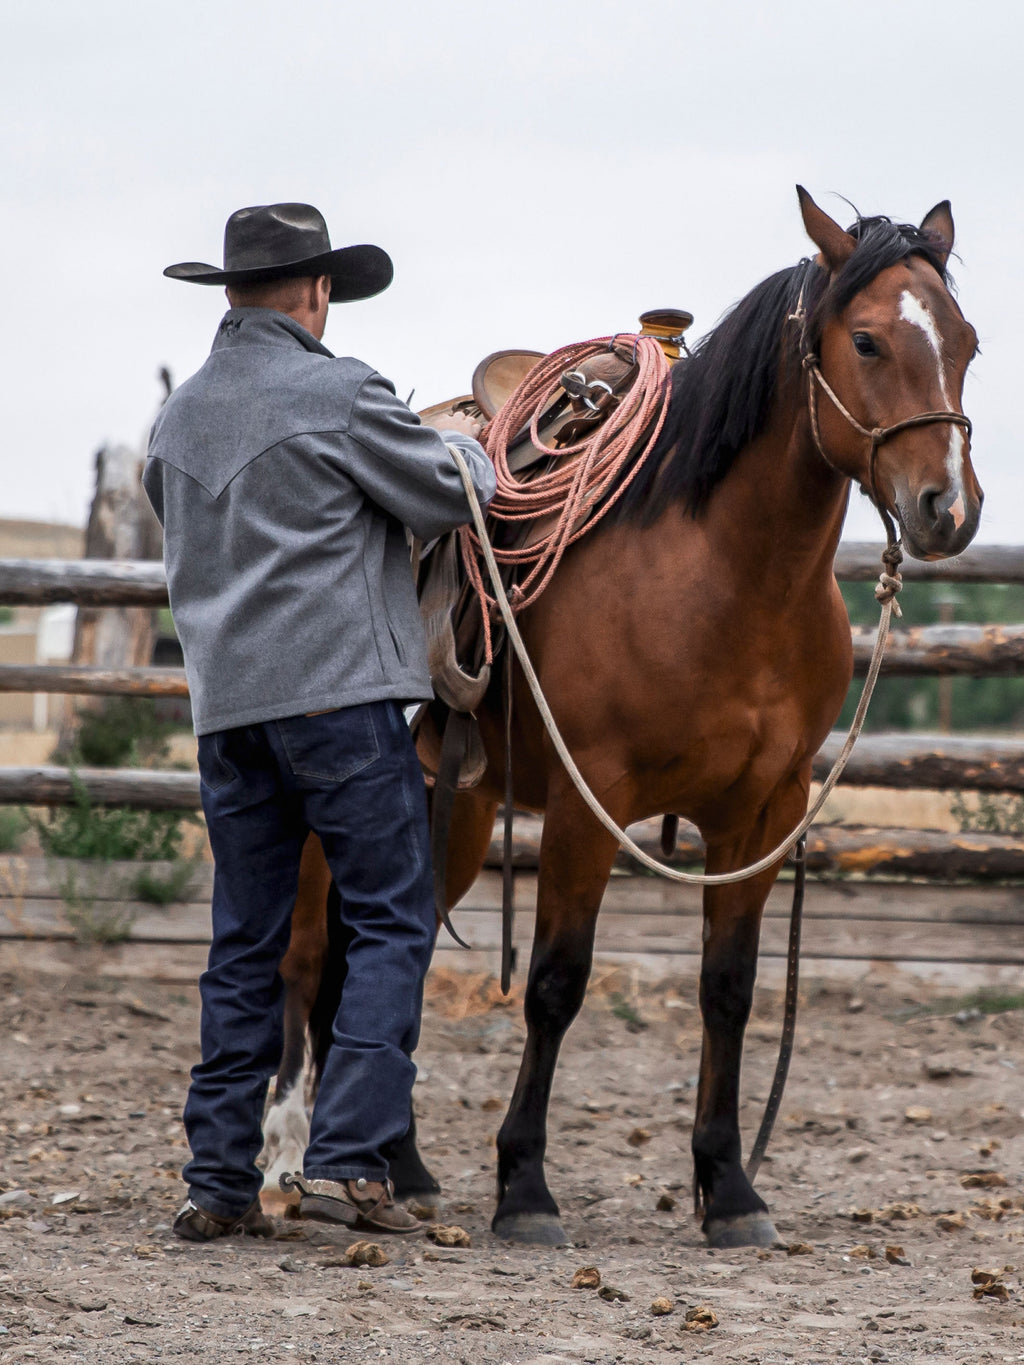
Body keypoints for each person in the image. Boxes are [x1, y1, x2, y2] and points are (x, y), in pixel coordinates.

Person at [143, 202, 495, 1242]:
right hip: (340, 705)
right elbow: (446, 498)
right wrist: (466, 446)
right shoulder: (343, 394)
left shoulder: (179, 417)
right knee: (389, 915)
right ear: (315, 292)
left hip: (230, 714)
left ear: (232, 291)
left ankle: (216, 1178)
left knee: (245, 940)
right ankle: (349, 1154)